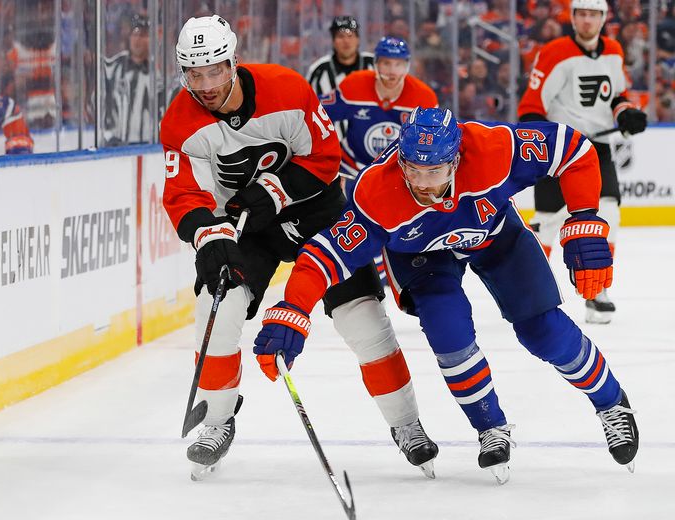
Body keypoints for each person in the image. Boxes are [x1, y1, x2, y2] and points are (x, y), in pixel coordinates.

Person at [253, 107, 640, 484]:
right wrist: (292, 308)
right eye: (413, 169)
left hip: (495, 235)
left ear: (456, 160)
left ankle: (611, 403)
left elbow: (573, 148)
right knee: (448, 329)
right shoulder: (377, 192)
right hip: (420, 255)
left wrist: (585, 216)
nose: (422, 183)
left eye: (434, 170)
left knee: (544, 330)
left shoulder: (493, 148)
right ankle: (491, 428)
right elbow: (323, 257)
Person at [161, 15, 438, 481]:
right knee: (218, 302)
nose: (206, 85)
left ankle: (406, 423)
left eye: (214, 70)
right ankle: (217, 419)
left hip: (318, 213)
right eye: (195, 74)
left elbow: (325, 158)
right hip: (247, 228)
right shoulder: (179, 121)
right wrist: (208, 238)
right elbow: (185, 194)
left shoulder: (287, 89)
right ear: (183, 73)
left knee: (362, 315)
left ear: (233, 62)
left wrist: (268, 193)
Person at [518, 0, 647, 324]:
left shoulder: (614, 50)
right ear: (573, 17)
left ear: (604, 18)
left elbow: (616, 95)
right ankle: (532, 294)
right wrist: (538, 146)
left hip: (598, 147)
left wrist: (625, 112)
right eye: (581, 14)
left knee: (609, 212)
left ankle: (597, 290)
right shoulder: (555, 52)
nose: (587, 20)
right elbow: (532, 105)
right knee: (549, 221)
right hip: (561, 146)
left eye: (593, 14)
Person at [320, 36, 438, 196]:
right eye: (386, 63)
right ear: (375, 64)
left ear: (407, 66)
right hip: (351, 170)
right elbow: (319, 113)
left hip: (398, 176)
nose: (392, 71)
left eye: (399, 64)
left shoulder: (424, 98)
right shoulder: (354, 85)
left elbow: (433, 142)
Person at [103, 13, 161, 145]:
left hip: (149, 146)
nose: (138, 40)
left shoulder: (159, 73)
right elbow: (99, 105)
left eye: (144, 35)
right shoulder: (113, 67)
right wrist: (109, 136)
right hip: (116, 146)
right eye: (135, 34)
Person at [305, 16, 374, 98]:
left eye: (350, 35)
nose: (346, 41)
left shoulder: (374, 64)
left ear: (358, 40)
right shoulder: (318, 70)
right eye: (341, 36)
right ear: (333, 41)